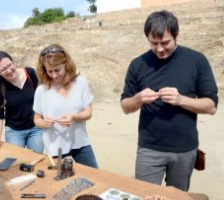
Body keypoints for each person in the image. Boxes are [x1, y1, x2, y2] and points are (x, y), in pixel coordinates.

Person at [120, 10, 218, 191]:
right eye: (153, 43)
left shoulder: (197, 60)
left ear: (176, 36)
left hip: (184, 149)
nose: (159, 49)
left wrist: (181, 99)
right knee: (144, 195)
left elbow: (211, 107)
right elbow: (126, 107)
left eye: (165, 42)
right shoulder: (137, 64)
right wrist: (138, 98)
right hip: (149, 149)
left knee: (177, 197)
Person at [33, 44, 98, 168]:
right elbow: (36, 120)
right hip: (55, 147)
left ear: (66, 64)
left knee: (96, 177)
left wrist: (73, 116)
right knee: (60, 181)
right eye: (49, 71)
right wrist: (44, 123)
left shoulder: (81, 83)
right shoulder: (41, 90)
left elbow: (88, 113)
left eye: (57, 70)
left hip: (81, 143)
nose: (54, 75)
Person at [0, 51, 44, 154]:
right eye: (3, 69)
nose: (9, 70)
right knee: (16, 163)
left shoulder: (30, 73)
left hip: (36, 129)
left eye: (10, 65)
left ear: (13, 62)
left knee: (36, 161)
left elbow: (40, 99)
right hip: (14, 132)